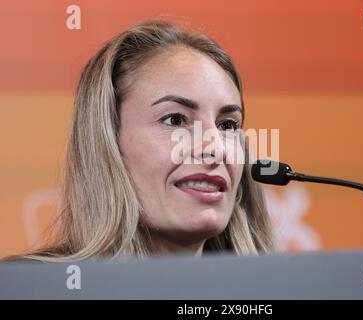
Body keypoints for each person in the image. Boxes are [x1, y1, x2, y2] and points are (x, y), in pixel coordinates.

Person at [8, 18, 274, 262]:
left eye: (227, 125)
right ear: (109, 141)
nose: (215, 148)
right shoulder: (24, 289)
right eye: (175, 120)